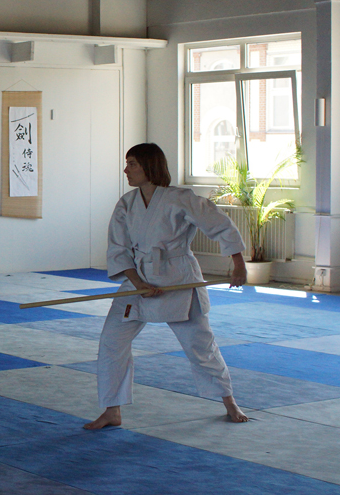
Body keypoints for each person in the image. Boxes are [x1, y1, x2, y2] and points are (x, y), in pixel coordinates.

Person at [84, 143, 249, 430]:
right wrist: (139, 283)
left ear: (150, 166)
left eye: (132, 164)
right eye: (127, 163)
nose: (126, 170)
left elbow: (219, 224)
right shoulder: (127, 203)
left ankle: (229, 401)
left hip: (178, 280)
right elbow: (118, 248)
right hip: (138, 281)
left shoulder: (181, 198)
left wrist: (239, 264)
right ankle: (112, 410)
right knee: (111, 341)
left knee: (200, 345)